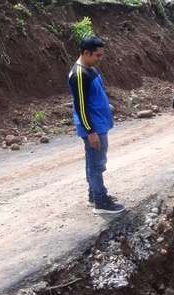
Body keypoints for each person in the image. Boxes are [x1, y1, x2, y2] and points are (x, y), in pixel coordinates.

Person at [68, 36, 125, 214]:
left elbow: (93, 96)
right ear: (86, 53)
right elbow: (80, 106)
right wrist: (90, 131)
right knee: (96, 164)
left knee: (94, 161)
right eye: (97, 55)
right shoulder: (79, 74)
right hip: (93, 127)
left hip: (99, 123)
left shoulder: (89, 69)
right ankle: (101, 202)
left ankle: (94, 195)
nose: (100, 58)